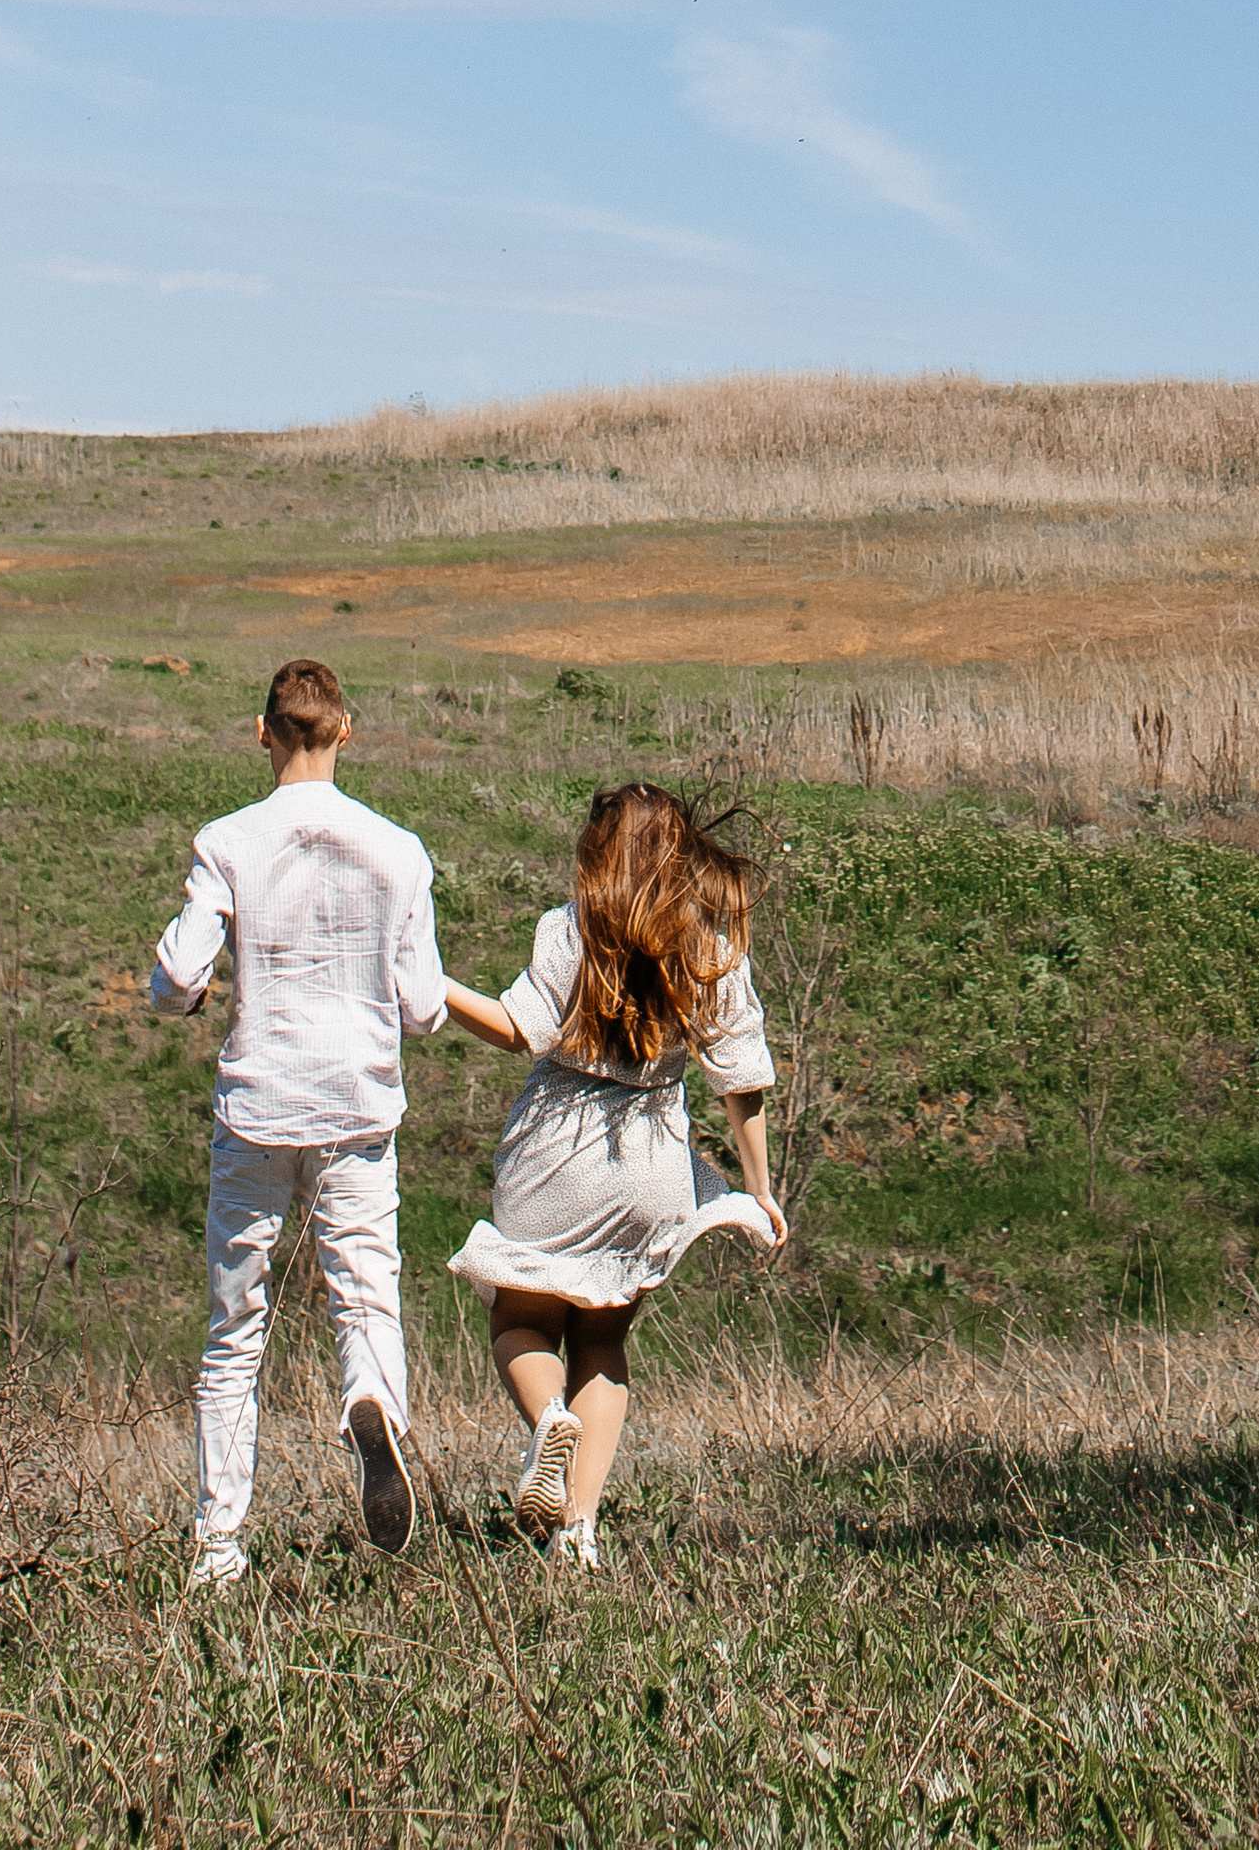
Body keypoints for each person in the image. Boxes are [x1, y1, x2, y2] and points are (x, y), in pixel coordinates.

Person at [149, 656, 448, 1592]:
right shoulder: (398, 850)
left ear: (263, 731)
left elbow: (175, 981)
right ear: (346, 731)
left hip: (259, 1102)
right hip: (357, 1101)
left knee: (236, 1325)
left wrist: (194, 1000)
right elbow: (426, 1006)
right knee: (365, 1291)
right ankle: (369, 1399)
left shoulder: (228, 842)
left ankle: (217, 1548)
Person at [441, 782, 786, 1567]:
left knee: (522, 1321)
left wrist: (433, 989)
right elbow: (744, 1081)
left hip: (557, 1148)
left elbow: (517, 1028)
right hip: (652, 1157)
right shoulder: (708, 947)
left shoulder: (570, 933)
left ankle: (546, 1425)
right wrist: (759, 1191)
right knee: (603, 1339)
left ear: (599, 854)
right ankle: (580, 1533)